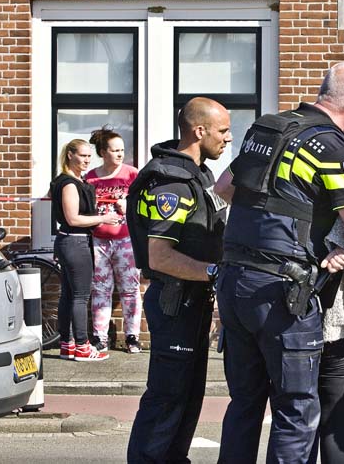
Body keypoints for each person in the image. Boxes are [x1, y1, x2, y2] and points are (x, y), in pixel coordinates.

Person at [213, 60, 344, 464]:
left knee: (245, 404)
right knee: (296, 409)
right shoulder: (333, 145)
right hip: (284, 293)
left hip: (235, 282)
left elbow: (223, 189)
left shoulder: (269, 128)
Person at [125, 97, 232, 463]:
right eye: (223, 131)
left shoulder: (197, 174)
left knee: (188, 394)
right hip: (175, 302)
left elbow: (210, 219)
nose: (228, 138)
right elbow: (160, 255)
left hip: (193, 302)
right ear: (199, 131)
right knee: (168, 395)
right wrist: (216, 272)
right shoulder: (171, 182)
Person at [50, 139, 121, 362]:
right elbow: (72, 218)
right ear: (70, 155)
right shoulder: (70, 184)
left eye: (90, 156)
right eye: (82, 155)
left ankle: (67, 345)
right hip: (75, 242)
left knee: (69, 295)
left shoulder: (73, 182)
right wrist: (104, 218)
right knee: (80, 296)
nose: (87, 160)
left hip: (70, 242)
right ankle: (82, 345)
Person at [84, 127, 142, 354]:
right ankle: (100, 337)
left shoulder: (132, 174)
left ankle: (132, 337)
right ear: (102, 152)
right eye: (115, 150)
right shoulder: (91, 177)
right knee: (100, 289)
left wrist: (128, 206)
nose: (120, 154)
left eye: (122, 150)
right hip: (98, 240)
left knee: (130, 289)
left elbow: (143, 205)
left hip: (126, 240)